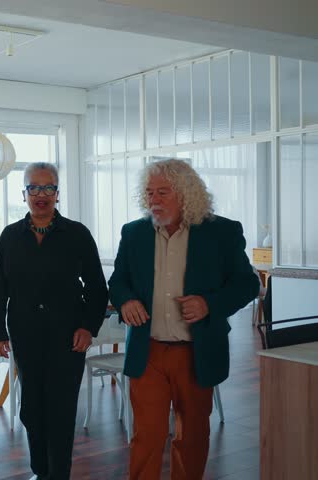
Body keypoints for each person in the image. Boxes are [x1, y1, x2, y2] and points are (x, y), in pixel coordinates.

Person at [109, 159, 259, 480]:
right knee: (146, 437)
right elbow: (118, 281)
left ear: (187, 194)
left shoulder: (222, 232)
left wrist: (209, 304)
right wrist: (126, 300)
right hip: (147, 352)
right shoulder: (134, 233)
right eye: (150, 193)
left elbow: (247, 284)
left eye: (163, 192)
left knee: (191, 438)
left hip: (197, 351)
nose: (154, 200)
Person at [0, 162, 108, 480]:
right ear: (24, 193)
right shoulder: (10, 236)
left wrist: (88, 327)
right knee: (31, 408)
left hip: (67, 337)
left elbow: (97, 288)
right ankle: (40, 471)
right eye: (34, 188)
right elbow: (0, 287)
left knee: (61, 410)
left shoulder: (77, 234)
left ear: (57, 193)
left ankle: (59, 474)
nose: (41, 195)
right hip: (26, 336)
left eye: (49, 188)